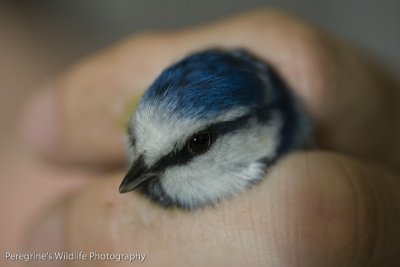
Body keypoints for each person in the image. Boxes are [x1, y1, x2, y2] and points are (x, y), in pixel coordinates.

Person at [15, 10, 400, 266]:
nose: (139, 170)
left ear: (262, 128)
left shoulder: (310, 167)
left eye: (198, 144)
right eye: (135, 134)